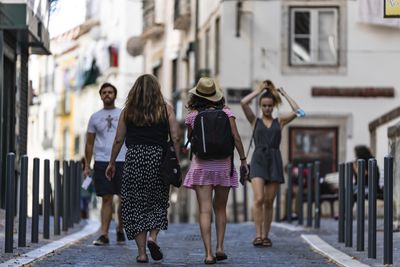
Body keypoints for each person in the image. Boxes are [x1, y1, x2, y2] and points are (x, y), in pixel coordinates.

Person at [105, 74, 179, 263]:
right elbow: (176, 137)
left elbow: (119, 139)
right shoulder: (166, 109)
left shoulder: (127, 111)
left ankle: (141, 253)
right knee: (158, 201)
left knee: (135, 205)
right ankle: (153, 238)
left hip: (135, 159)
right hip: (158, 160)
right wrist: (175, 159)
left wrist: (112, 162)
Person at [184, 77, 248, 264]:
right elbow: (236, 137)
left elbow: (191, 140)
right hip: (223, 166)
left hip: (202, 166)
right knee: (220, 208)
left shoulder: (192, 116)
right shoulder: (227, 112)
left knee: (205, 211)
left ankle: (208, 254)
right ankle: (220, 247)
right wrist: (243, 160)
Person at [240, 80, 302, 247]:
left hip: (274, 160)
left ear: (273, 106)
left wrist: (284, 94)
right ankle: (258, 235)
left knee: (269, 201)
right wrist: (258, 90)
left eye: (269, 106)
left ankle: (266, 235)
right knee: (259, 198)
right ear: (260, 106)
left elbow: (299, 111)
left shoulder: (280, 121)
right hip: (259, 159)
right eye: (264, 106)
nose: (267, 108)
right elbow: (243, 103)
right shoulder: (254, 120)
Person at [84, 82, 126, 246]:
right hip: (101, 161)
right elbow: (89, 143)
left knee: (123, 199)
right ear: (100, 95)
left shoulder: (123, 114)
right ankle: (104, 234)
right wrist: (87, 165)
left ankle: (120, 228)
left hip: (122, 160)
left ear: (115, 95)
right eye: (104, 92)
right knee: (106, 198)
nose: (107, 94)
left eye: (110, 92)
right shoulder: (94, 117)